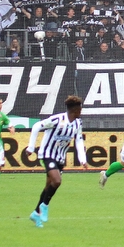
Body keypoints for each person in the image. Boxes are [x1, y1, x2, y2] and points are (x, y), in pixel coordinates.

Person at [25, 95, 89, 228]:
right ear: (75, 110)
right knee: (57, 181)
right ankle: (45, 206)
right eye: (80, 110)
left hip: (60, 157)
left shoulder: (78, 123)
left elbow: (78, 140)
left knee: (49, 186)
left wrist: (83, 159)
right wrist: (31, 147)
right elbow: (37, 126)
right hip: (47, 154)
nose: (81, 112)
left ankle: (36, 214)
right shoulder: (57, 119)